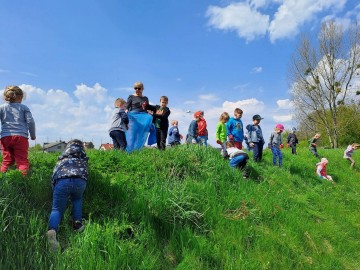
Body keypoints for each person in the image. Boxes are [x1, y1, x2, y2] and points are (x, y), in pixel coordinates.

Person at [46, 139, 88, 252]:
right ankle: (77, 224)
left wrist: (54, 190)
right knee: (77, 200)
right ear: (81, 147)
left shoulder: (62, 157)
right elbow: (86, 170)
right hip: (80, 181)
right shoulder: (83, 156)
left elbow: (54, 174)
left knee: (56, 209)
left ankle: (52, 231)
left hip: (61, 181)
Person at [0, 86, 36, 176]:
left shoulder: (2, 108)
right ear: (20, 97)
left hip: (5, 137)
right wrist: (33, 135)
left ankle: (2, 179)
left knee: (7, 160)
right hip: (21, 137)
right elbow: (30, 122)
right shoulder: (24, 108)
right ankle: (22, 182)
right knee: (22, 161)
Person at [125, 82, 153, 152]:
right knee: (133, 135)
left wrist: (150, 113)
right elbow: (127, 107)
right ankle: (129, 151)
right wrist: (125, 112)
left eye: (139, 88)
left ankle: (138, 150)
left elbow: (147, 108)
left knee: (141, 134)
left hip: (143, 117)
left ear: (142, 89)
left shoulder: (145, 98)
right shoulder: (131, 97)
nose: (137, 90)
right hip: (134, 118)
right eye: (135, 88)